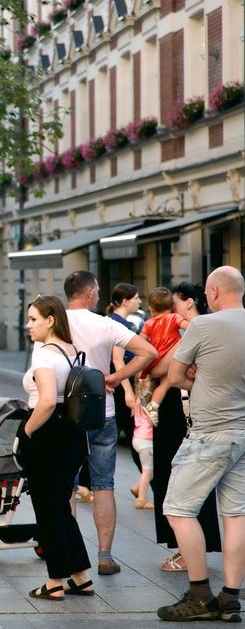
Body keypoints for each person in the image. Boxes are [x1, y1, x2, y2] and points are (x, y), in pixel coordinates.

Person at [157, 266, 245, 622]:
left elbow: (175, 375)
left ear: (213, 291)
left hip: (209, 432)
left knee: (178, 509)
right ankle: (230, 597)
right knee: (236, 515)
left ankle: (199, 593)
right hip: (242, 432)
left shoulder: (203, 326)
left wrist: (200, 381)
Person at [64, 270, 156, 575]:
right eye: (98, 291)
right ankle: (105, 555)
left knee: (67, 486)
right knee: (104, 485)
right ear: (90, 293)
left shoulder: (55, 322)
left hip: (66, 414)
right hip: (101, 412)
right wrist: (115, 378)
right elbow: (148, 352)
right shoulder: (105, 324)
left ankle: (71, 556)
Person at [17, 294, 94, 601]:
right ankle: (81, 576)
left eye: (34, 319)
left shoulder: (44, 355)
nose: (29, 325)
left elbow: (47, 400)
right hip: (72, 434)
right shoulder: (70, 351)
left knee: (48, 509)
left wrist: (26, 430)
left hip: (47, 434)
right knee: (61, 506)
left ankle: (54, 582)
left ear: (50, 321)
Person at [152, 283, 221, 574]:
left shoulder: (194, 329)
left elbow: (159, 368)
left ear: (190, 303)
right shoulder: (187, 329)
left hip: (182, 410)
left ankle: (188, 552)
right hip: (178, 408)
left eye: (176, 304)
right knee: (175, 476)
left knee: (182, 477)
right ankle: (187, 547)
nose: (171, 311)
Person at [136, 287, 188, 426]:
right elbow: (188, 327)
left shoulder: (149, 323)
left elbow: (140, 341)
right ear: (172, 306)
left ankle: (148, 393)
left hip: (156, 359)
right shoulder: (174, 317)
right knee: (165, 383)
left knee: (155, 380)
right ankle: (154, 406)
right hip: (169, 360)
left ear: (152, 308)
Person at [106, 283, 141, 472]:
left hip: (118, 385)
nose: (139, 302)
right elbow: (118, 361)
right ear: (126, 301)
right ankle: (148, 482)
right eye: (136, 298)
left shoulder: (116, 321)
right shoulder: (118, 324)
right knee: (136, 436)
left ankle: (145, 483)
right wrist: (128, 392)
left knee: (128, 434)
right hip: (120, 387)